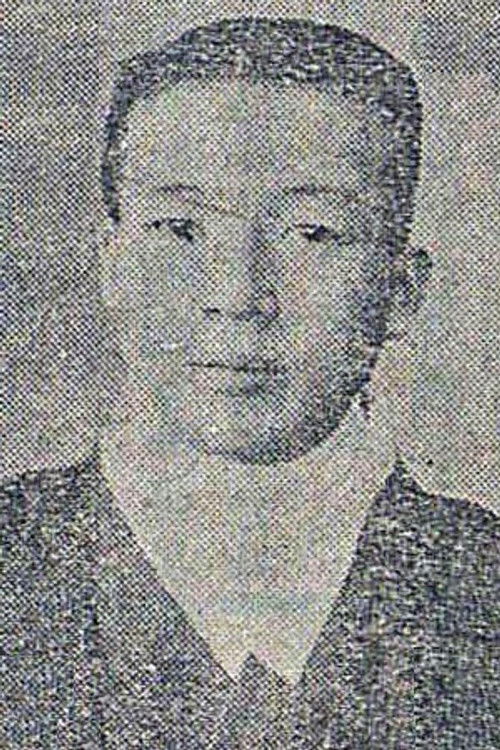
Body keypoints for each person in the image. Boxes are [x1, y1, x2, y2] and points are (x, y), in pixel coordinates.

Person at [2, 17, 498, 749]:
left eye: (314, 234)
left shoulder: (482, 585)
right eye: (180, 229)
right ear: (112, 264)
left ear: (401, 291)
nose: (238, 294)